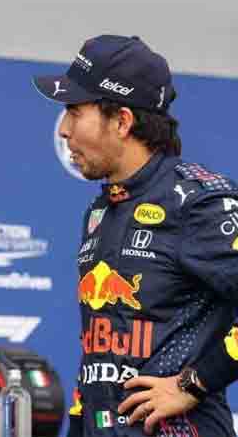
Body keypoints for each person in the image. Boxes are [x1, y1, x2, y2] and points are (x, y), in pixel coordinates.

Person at [32, 34, 238, 437]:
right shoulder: (102, 209)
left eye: (74, 112)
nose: (64, 131)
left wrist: (192, 384)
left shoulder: (197, 202)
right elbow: (99, 355)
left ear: (122, 121)